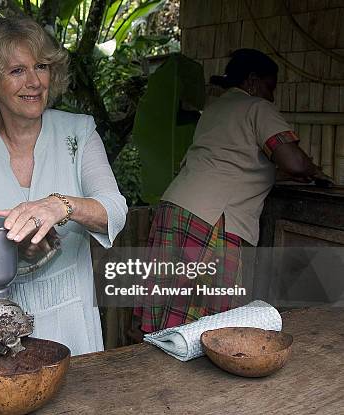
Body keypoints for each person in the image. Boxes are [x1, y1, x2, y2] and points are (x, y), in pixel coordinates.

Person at [0, 15, 128, 355]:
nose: (34, 81)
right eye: (17, 70)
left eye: (41, 66)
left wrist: (59, 206)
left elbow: (114, 211)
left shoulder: (78, 133)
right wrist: (8, 250)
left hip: (70, 316)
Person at [133, 49, 331, 334]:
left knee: (168, 306)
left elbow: (233, 158)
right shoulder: (257, 108)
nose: (271, 97)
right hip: (211, 219)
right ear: (252, 81)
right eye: (269, 87)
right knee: (201, 323)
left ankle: (153, 370)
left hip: (174, 209)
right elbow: (294, 161)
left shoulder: (215, 109)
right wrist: (314, 171)